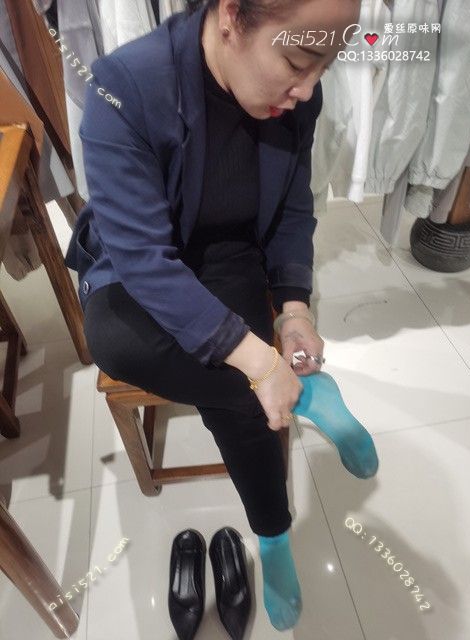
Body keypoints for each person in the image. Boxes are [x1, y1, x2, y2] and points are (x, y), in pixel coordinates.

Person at [65, 0, 360, 630]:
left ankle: (272, 537)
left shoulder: (297, 96)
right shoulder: (125, 87)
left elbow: (293, 205)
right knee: (116, 339)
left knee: (240, 392)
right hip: (139, 256)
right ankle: (307, 395)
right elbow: (143, 261)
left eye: (324, 67)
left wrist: (294, 310)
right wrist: (260, 363)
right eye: (298, 63)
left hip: (229, 249)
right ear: (231, 18)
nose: (308, 89)